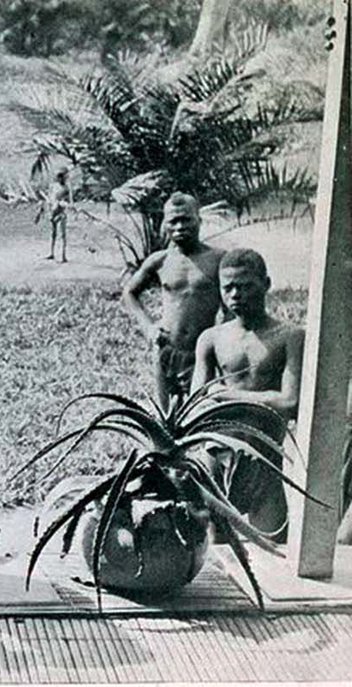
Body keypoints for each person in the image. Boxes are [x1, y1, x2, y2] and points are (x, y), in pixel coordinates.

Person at [191, 248, 304, 542]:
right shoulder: (212, 338)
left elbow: (290, 402)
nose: (235, 294)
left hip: (265, 461)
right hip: (218, 455)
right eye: (228, 287)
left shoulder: (289, 337)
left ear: (266, 284)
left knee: (274, 550)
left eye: (245, 286)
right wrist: (259, 398)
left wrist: (227, 396)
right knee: (218, 553)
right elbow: (196, 403)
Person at [122, 192, 226, 413]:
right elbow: (130, 293)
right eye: (173, 221)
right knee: (167, 417)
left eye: (186, 219)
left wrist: (222, 339)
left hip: (202, 353)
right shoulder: (160, 261)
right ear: (164, 224)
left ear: (199, 219)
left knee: (203, 412)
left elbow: (231, 308)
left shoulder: (218, 259)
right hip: (166, 349)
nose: (179, 226)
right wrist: (149, 327)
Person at [36, 167, 72, 262]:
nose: (61, 179)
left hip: (61, 212)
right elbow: (50, 198)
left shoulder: (66, 188)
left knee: (62, 234)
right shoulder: (54, 186)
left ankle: (63, 256)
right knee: (53, 233)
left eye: (62, 177)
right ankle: (52, 253)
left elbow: (68, 201)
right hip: (53, 211)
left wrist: (62, 204)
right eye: (59, 177)